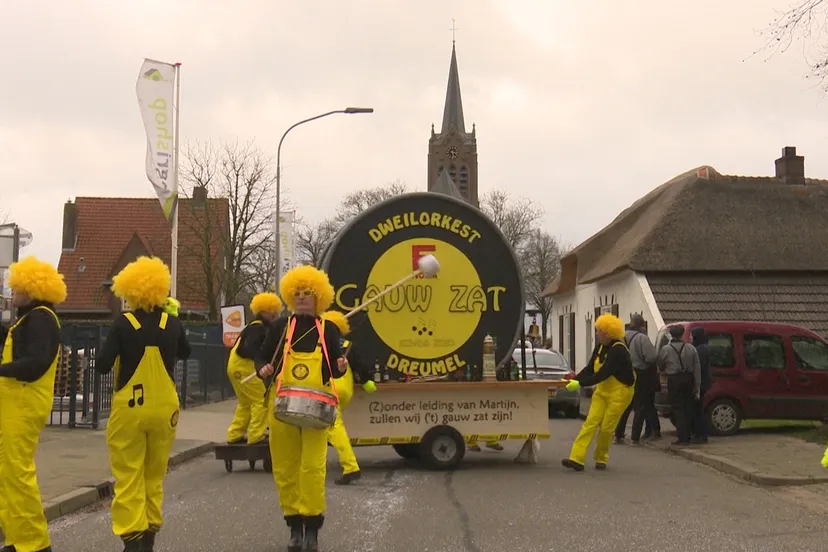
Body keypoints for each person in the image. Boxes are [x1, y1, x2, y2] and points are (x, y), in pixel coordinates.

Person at [95, 256, 191, 552]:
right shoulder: (171, 323)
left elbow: (102, 365)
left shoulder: (124, 324)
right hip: (165, 410)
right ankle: (149, 537)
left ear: (130, 291)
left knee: (129, 475)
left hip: (131, 409)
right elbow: (186, 352)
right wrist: (172, 324)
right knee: (154, 474)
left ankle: (132, 539)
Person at [257, 265, 344, 552]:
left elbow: (335, 368)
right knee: (285, 468)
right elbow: (262, 357)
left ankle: (312, 529)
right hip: (282, 407)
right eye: (298, 293)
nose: (303, 297)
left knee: (313, 468)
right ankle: (294, 526)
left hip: (317, 411)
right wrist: (263, 369)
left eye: (308, 292)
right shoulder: (280, 327)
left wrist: (341, 366)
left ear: (318, 296)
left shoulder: (328, 329)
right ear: (290, 297)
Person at [0, 256, 66, 552]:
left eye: (16, 288)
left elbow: (35, 363)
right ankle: (17, 537)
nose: (12, 292)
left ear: (31, 289)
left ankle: (35, 543)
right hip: (16, 404)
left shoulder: (41, 319)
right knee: (7, 473)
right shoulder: (31, 319)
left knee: (18, 473)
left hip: (25, 404)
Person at [561, 313, 635, 471]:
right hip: (602, 390)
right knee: (590, 423)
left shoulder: (619, 350)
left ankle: (601, 457)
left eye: (599, 330)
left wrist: (580, 384)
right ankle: (576, 458)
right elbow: (590, 368)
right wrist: (575, 378)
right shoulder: (600, 347)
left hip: (620, 392)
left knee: (606, 428)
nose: (596, 333)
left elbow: (603, 374)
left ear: (607, 333)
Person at [320, 310, 377, 485]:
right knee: (325, 427)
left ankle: (350, 466)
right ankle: (319, 464)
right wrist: (367, 381)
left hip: (329, 387)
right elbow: (360, 366)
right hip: (345, 389)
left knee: (333, 426)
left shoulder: (320, 344)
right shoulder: (347, 344)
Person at [226, 292, 282, 446]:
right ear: (267, 310)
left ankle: (234, 434)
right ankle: (256, 435)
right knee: (261, 400)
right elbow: (247, 349)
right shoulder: (258, 328)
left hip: (235, 367)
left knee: (245, 403)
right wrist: (262, 361)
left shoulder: (252, 326)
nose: (275, 314)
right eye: (274, 311)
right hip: (245, 368)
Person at [614, 315, 660, 444]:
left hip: (625, 374)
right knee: (640, 406)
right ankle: (635, 437)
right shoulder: (642, 338)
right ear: (641, 325)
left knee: (626, 406)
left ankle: (618, 434)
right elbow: (651, 357)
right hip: (640, 374)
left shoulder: (620, 338)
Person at [656, 324, 701, 447]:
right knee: (688, 407)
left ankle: (682, 437)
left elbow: (660, 363)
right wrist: (697, 384)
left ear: (671, 335)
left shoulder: (666, 349)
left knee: (677, 408)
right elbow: (697, 367)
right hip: (688, 378)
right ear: (682, 335)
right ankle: (689, 435)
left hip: (674, 379)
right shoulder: (691, 348)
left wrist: (664, 369)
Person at [690, 327, 711, 444]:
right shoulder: (703, 347)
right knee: (697, 409)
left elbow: (698, 367)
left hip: (700, 383)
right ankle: (699, 433)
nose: (690, 338)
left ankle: (701, 434)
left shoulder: (700, 350)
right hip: (702, 382)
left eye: (692, 336)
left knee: (697, 410)